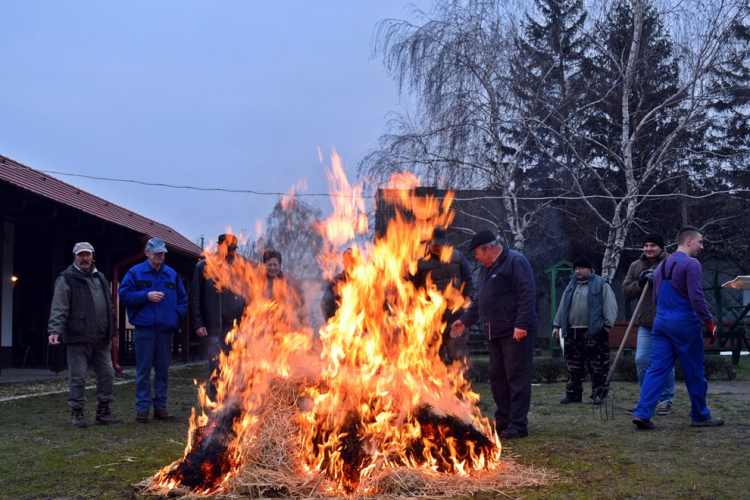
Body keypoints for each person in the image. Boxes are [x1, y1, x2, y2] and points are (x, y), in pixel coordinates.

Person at [632, 226, 723, 430]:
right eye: (700, 241)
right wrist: (709, 321)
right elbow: (696, 296)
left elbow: (655, 297)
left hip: (661, 322)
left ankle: (642, 413)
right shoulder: (691, 264)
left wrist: (664, 315)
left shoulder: (662, 266)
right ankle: (700, 415)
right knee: (694, 371)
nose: (701, 246)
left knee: (656, 369)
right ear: (689, 241)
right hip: (684, 323)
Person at [450, 229, 537, 439]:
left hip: (515, 332)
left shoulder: (516, 261)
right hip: (495, 332)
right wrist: (464, 320)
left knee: (516, 377)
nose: (477, 258)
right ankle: (504, 420)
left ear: (488, 249)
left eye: (478, 253)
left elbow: (527, 292)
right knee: (498, 378)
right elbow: (480, 300)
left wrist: (522, 324)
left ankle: (518, 424)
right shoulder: (487, 269)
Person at [47, 242, 123, 427]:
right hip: (78, 336)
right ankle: (77, 412)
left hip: (101, 337)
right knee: (78, 376)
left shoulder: (101, 278)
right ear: (75, 257)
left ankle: (103, 411)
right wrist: (55, 330)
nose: (84, 258)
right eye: (80, 255)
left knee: (107, 374)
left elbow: (109, 305)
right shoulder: (66, 278)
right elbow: (59, 306)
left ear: (92, 257)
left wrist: (113, 330)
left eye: (87, 255)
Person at [119, 237, 187, 423]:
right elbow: (124, 295)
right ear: (147, 252)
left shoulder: (172, 275)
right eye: (156, 252)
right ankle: (142, 409)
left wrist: (176, 316)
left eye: (162, 252)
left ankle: (160, 407)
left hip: (166, 331)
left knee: (163, 371)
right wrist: (146, 296)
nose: (160, 255)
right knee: (143, 371)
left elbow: (183, 299)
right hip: (145, 330)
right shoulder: (135, 273)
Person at [552, 256, 618, 405]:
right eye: (575, 269)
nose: (577, 271)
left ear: (589, 269)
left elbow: (610, 304)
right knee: (573, 365)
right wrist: (557, 326)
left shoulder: (601, 284)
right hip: (572, 332)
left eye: (581, 268)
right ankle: (573, 394)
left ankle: (598, 394)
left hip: (594, 332)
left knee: (598, 366)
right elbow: (563, 306)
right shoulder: (571, 286)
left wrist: (607, 325)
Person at [622, 232, 674, 415]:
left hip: (667, 320)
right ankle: (647, 399)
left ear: (661, 247)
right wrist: (641, 281)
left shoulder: (671, 263)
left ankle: (666, 400)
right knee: (641, 360)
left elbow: (679, 286)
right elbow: (626, 292)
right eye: (646, 246)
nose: (649, 249)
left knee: (664, 361)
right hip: (645, 321)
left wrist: (657, 279)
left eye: (653, 245)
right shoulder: (636, 266)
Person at [190, 233, 246, 401]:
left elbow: (249, 295)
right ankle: (217, 403)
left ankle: (233, 403)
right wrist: (198, 323)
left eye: (233, 249)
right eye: (227, 249)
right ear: (219, 247)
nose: (230, 253)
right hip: (214, 326)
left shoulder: (242, 269)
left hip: (237, 326)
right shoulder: (203, 267)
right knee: (216, 366)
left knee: (236, 365)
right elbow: (195, 297)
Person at [411, 227, 474, 368]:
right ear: (429, 243)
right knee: (429, 359)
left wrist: (467, 305)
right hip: (430, 319)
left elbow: (468, 282)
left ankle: (460, 389)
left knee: (459, 358)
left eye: (440, 245)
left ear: (446, 243)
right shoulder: (420, 262)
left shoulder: (458, 257)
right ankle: (431, 389)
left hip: (455, 318)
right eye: (435, 245)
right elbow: (411, 289)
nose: (438, 248)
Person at [320, 247, 358, 322]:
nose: (350, 264)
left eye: (352, 261)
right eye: (348, 261)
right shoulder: (336, 282)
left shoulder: (365, 282)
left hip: (364, 329)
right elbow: (325, 303)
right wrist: (333, 322)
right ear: (344, 263)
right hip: (343, 327)